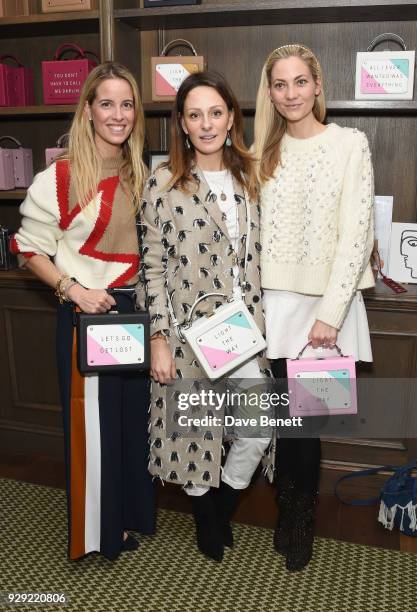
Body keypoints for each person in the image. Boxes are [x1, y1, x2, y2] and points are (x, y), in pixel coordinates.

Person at [11, 62, 156, 561]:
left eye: (127, 103)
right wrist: (73, 290)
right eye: (107, 103)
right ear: (88, 110)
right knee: (93, 431)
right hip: (87, 317)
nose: (118, 114)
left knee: (130, 427)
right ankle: (97, 534)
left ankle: (128, 517)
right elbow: (27, 247)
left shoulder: (143, 172)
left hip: (134, 315)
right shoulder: (62, 176)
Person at [137, 70, 272, 563]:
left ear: (232, 116)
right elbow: (151, 266)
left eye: (216, 112)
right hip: (188, 328)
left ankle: (222, 504)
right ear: (182, 124)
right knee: (193, 432)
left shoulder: (251, 175)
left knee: (257, 427)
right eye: (195, 115)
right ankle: (204, 518)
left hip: (242, 329)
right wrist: (158, 338)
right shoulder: (163, 182)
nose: (207, 123)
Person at [254, 44, 375, 571]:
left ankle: (301, 524)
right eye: (280, 85)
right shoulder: (260, 150)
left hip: (329, 309)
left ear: (318, 85)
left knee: (310, 422)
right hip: (274, 305)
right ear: (271, 92)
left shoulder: (351, 144)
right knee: (285, 421)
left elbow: (356, 234)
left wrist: (330, 312)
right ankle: (287, 512)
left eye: (300, 82)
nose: (291, 94)